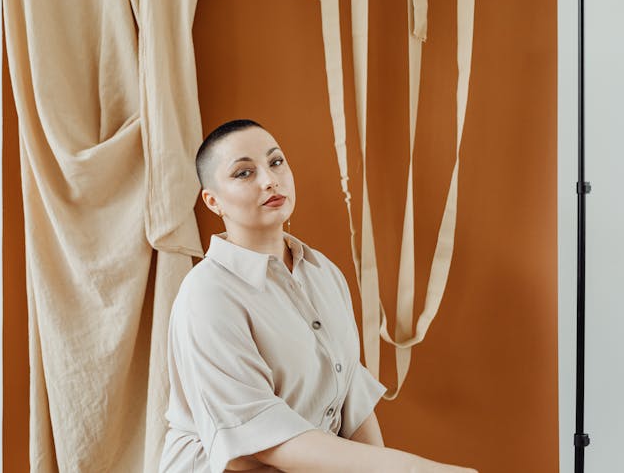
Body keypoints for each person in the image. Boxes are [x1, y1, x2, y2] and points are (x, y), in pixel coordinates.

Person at [158, 119, 478, 473]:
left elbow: (351, 397)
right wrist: (410, 469)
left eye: (276, 162)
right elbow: (262, 439)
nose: (269, 180)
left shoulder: (322, 272)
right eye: (244, 173)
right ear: (213, 201)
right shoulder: (207, 295)